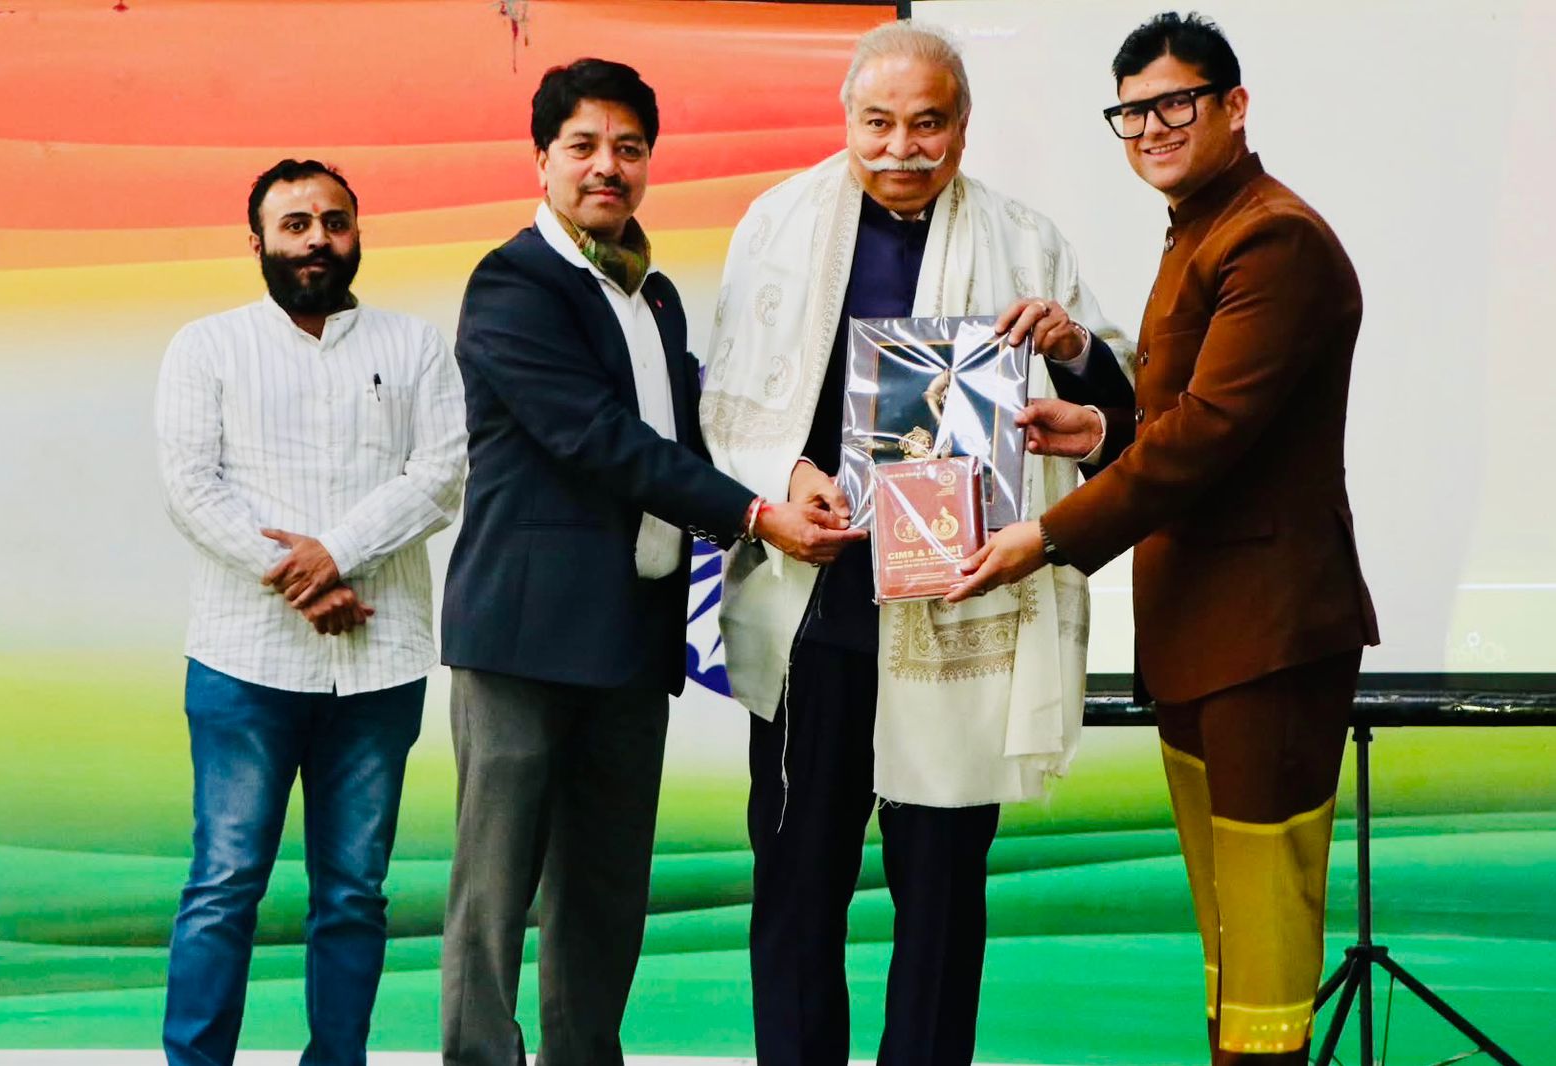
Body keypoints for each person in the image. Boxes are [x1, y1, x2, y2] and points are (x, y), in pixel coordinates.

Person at [699, 22, 1134, 1066]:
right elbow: (722, 398)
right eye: (878, 122)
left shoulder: (1025, 241)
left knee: (941, 893)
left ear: (964, 125)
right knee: (797, 880)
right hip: (818, 609)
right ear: (846, 119)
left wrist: (1072, 349)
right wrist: (782, 475)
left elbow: (1118, 405)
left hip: (961, 606)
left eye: (927, 123)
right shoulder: (775, 224)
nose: (902, 147)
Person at [949, 13, 1381, 1064]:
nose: (1151, 127)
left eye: (1175, 103)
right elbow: (1191, 421)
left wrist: (1046, 535)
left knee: (1264, 932)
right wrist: (1100, 431)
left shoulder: (1271, 238)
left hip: (1267, 636)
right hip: (1203, 634)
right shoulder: (1200, 227)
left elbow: (1210, 435)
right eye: (1131, 112)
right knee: (1227, 929)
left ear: (1234, 106)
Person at [439, 58, 860, 1066]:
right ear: (541, 159)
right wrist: (754, 514)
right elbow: (600, 440)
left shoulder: (654, 293)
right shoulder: (514, 283)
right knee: (496, 889)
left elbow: (693, 424)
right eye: (583, 146)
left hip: (630, 634)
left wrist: (788, 471)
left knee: (605, 888)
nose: (607, 166)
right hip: (525, 638)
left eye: (628, 148)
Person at [155, 158, 467, 1066]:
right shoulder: (206, 347)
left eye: (334, 222)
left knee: (354, 893)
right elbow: (191, 488)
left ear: (357, 235)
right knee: (224, 885)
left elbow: (440, 475)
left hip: (379, 663)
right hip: (242, 663)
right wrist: (300, 577)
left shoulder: (416, 347)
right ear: (256, 241)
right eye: (294, 225)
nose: (316, 240)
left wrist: (336, 553)